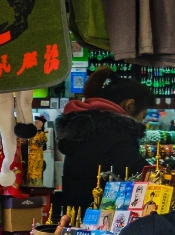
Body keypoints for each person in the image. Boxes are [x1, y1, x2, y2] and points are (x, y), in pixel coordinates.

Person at [55, 67, 154, 212]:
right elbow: (146, 174)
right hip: (99, 225)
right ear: (130, 105)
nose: (142, 122)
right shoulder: (113, 137)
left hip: (77, 219)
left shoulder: (87, 130)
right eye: (143, 116)